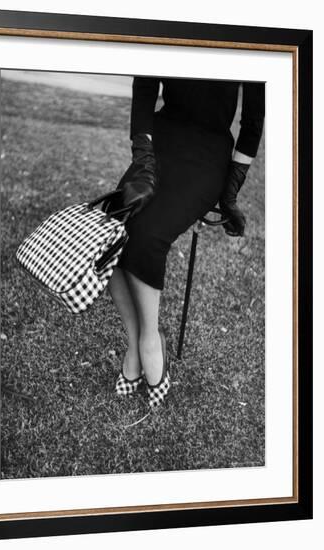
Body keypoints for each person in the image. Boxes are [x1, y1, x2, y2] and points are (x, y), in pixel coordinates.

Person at [107, 76, 265, 409]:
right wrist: (142, 154)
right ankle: (136, 343)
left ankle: (151, 341)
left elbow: (252, 122)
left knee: (148, 237)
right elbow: (145, 86)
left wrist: (232, 187)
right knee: (114, 229)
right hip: (160, 143)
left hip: (209, 154)